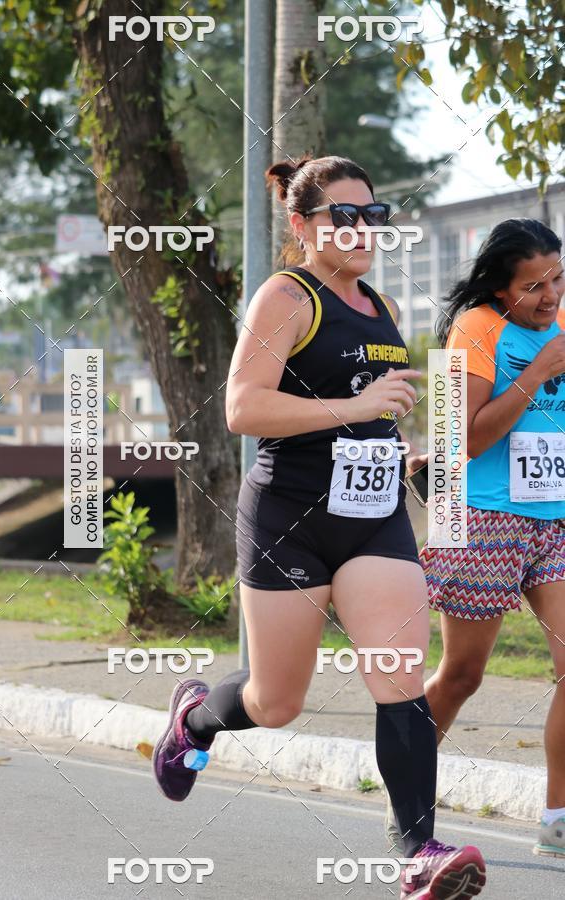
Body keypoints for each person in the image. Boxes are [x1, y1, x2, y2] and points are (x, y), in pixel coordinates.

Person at [152, 154, 486, 898]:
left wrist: (400, 450)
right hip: (289, 520)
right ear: (304, 226)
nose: (363, 228)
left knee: (399, 679)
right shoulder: (287, 295)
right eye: (345, 215)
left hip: (374, 523)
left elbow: (372, 416)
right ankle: (196, 722)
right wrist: (353, 410)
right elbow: (242, 408)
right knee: (276, 703)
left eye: (375, 215)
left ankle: (419, 851)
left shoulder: (383, 308)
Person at [403, 218, 565, 860]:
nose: (550, 296)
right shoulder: (474, 330)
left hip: (555, 518)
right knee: (463, 674)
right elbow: (459, 441)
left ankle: (557, 818)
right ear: (501, 288)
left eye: (558, 279)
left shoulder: (562, 325)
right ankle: (407, 798)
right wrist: (538, 371)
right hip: (478, 516)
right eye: (535, 286)